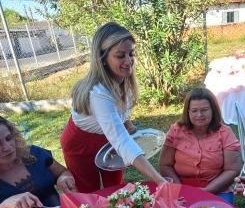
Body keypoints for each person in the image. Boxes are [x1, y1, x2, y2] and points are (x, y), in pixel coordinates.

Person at [60, 22, 166, 193]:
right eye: (120, 56)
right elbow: (123, 142)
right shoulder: (98, 93)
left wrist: (125, 121)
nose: (128, 61)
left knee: (117, 189)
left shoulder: (124, 81)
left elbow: (114, 116)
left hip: (108, 138)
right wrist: (160, 181)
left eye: (131, 54)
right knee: (90, 194)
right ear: (103, 59)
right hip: (80, 144)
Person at [158, 87, 241, 204]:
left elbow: (232, 170)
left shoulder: (225, 133)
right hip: (181, 189)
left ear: (213, 110)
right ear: (188, 111)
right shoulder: (176, 131)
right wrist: (179, 189)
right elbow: (165, 164)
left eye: (204, 109)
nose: (199, 115)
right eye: (194, 110)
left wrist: (208, 190)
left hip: (217, 190)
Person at [0, 116, 75, 208]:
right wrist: (4, 206)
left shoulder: (32, 154)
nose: (8, 147)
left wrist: (64, 178)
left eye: (8, 138)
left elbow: (63, 172)